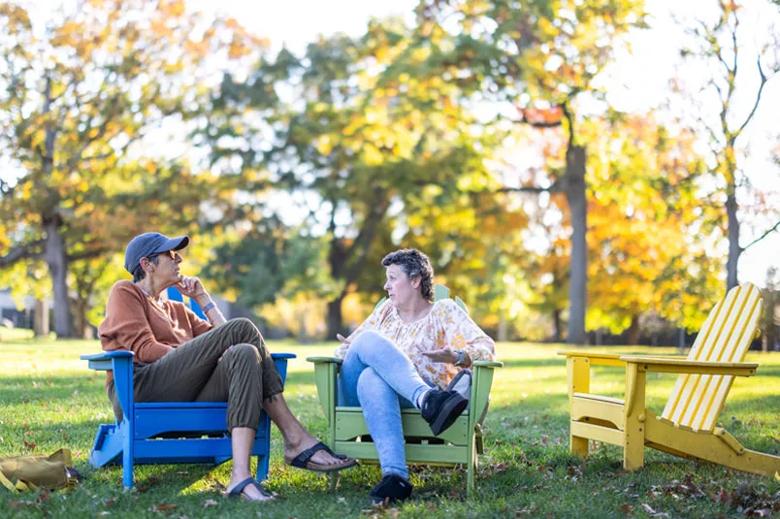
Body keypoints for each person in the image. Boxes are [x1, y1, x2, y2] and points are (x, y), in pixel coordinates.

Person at [98, 232, 356, 502]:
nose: (179, 259)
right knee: (242, 326)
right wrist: (199, 357)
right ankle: (294, 436)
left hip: (187, 391)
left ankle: (241, 476)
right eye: (171, 255)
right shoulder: (125, 292)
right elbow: (146, 350)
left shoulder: (177, 308)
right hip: (142, 387)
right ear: (147, 264)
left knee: (245, 353)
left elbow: (226, 338)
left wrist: (202, 298)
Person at [335, 248, 496, 504]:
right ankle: (427, 399)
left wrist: (455, 356)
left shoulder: (443, 311)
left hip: (396, 400)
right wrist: (346, 348)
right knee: (365, 347)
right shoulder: (386, 310)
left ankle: (395, 477)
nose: (386, 286)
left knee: (371, 378)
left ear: (415, 280)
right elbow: (350, 346)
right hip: (365, 400)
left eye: (392, 277)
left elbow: (487, 348)